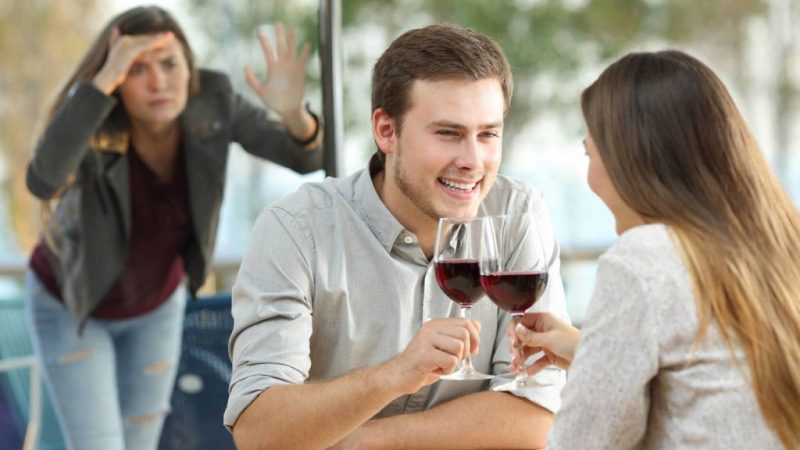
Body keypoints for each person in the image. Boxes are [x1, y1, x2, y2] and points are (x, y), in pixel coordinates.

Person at [226, 23, 570, 449]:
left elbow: (533, 417)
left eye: (488, 134)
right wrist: (395, 375)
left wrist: (360, 441)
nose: (472, 161)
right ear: (386, 131)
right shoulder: (297, 229)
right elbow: (259, 433)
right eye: (448, 133)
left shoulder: (516, 213)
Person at [24, 6, 322, 450]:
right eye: (135, 69)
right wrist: (101, 82)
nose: (158, 81)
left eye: (169, 64)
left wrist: (294, 115)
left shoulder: (214, 102)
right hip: (71, 305)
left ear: (189, 67)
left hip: (154, 307)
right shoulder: (94, 119)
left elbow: (307, 159)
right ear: (115, 80)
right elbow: (42, 179)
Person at [510, 50, 800, 449]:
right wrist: (591, 355)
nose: (590, 174)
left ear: (631, 161)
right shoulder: (780, 243)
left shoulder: (646, 256)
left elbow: (583, 444)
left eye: (588, 153)